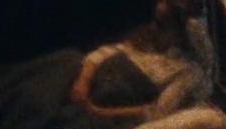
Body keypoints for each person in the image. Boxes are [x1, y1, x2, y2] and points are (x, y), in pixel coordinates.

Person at [69, 0, 213, 121]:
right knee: (68, 57)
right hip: (88, 79)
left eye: (161, 24)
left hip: (110, 94)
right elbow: (109, 51)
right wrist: (83, 81)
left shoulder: (188, 74)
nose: (153, 27)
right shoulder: (149, 40)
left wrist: (96, 112)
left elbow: (157, 112)